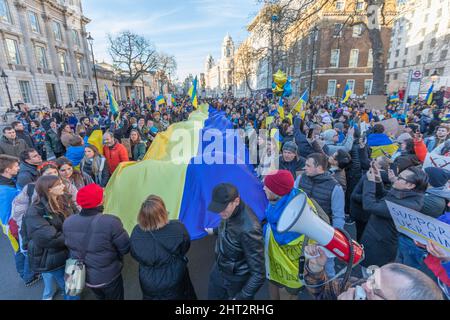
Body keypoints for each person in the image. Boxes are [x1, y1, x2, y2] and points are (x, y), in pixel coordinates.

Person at [302, 244, 443, 300]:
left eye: (376, 292)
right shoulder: (363, 285)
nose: (364, 287)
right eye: (374, 278)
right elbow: (323, 293)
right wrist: (316, 267)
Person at [63, 184, 130, 300]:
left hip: (85, 276)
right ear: (99, 201)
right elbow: (125, 248)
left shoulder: (68, 221)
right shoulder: (111, 222)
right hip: (109, 275)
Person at [21, 175, 78, 300]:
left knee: (74, 285)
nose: (63, 186)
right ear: (49, 189)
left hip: (68, 250)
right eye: (59, 184)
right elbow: (50, 238)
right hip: (51, 256)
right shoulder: (35, 211)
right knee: (70, 287)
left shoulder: (64, 199)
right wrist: (76, 236)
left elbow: (76, 217)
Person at [360, 166, 428, 269]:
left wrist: (370, 182)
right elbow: (384, 196)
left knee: (370, 273)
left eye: (400, 178)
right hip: (378, 238)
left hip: (379, 246)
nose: (395, 178)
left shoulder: (406, 205)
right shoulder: (409, 195)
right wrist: (378, 180)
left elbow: (369, 205)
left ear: (410, 185)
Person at [130, 195, 196, 300]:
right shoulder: (177, 227)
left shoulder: (136, 233)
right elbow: (185, 246)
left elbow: (134, 254)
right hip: (174, 277)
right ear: (163, 212)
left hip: (148, 281)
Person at [207, 183, 265, 300]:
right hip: (219, 270)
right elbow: (229, 227)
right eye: (217, 208)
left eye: (223, 208)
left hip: (235, 281)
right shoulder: (229, 212)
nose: (220, 212)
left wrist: (240, 298)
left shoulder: (250, 228)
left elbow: (259, 274)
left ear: (237, 201)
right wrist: (214, 231)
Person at [263, 170, 307, 300]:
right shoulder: (296, 196)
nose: (263, 187)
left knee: (287, 296)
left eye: (267, 186)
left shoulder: (290, 217)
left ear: (277, 191)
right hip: (276, 265)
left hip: (288, 270)